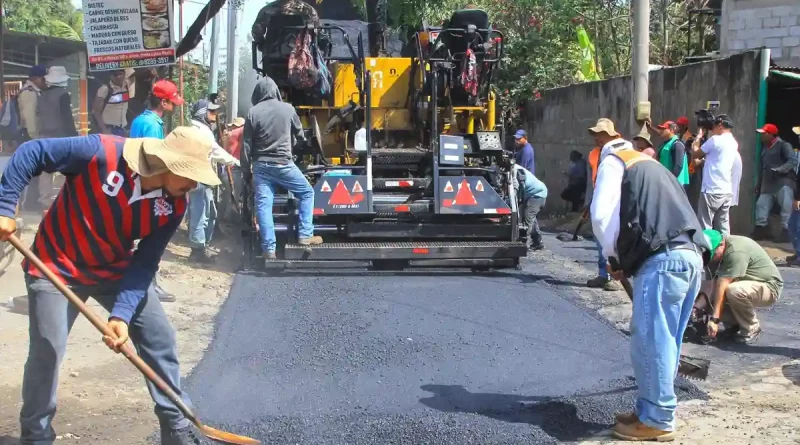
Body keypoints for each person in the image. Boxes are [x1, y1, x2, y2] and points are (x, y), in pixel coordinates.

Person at [0, 127, 218, 445]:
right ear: (167, 164)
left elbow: (145, 262)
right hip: (55, 266)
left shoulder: (174, 206)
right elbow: (32, 152)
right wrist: (5, 208)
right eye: (189, 175)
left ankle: (177, 426)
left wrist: (121, 315)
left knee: (160, 339)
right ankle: (36, 436)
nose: (194, 184)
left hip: (113, 268)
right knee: (47, 350)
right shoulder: (102, 153)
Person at [591, 117, 708, 441]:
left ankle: (656, 419)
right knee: (666, 341)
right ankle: (650, 410)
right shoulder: (653, 166)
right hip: (691, 257)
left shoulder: (615, 162)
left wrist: (614, 258)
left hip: (663, 261)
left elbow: (602, 217)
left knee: (651, 342)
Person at [242, 76, 322, 261]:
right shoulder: (288, 109)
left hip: (261, 166)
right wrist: (298, 143)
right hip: (284, 164)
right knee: (307, 193)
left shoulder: (252, 113)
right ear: (276, 91)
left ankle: (269, 250)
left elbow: (246, 147)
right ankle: (305, 235)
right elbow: (300, 135)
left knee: (264, 205)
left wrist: (246, 172)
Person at [128, 79, 184, 303]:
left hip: (137, 183)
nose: (175, 106)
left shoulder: (140, 119)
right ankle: (148, 283)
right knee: (153, 236)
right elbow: (153, 160)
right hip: (149, 186)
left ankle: (140, 280)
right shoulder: (153, 125)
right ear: (163, 102)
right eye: (172, 102)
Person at [703, 230, 782, 344]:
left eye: (713, 254)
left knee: (733, 290)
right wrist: (697, 307)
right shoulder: (717, 251)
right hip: (745, 283)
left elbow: (722, 284)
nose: (711, 259)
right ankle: (734, 324)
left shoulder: (736, 250)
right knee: (705, 292)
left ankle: (751, 328)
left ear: (721, 244)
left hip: (769, 287)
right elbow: (711, 284)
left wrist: (714, 320)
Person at [188, 99, 240, 263]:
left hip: (204, 177)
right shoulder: (200, 131)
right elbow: (215, 151)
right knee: (200, 214)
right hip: (199, 178)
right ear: (202, 113)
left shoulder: (202, 129)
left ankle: (202, 246)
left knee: (210, 213)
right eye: (211, 112)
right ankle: (197, 251)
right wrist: (236, 162)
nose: (214, 114)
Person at [585, 119, 624, 292]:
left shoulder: (620, 151)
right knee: (600, 239)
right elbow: (591, 179)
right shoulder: (594, 153)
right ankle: (603, 274)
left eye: (600, 134)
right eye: (596, 134)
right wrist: (589, 202)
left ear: (610, 135)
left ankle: (616, 277)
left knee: (611, 238)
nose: (597, 138)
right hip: (598, 196)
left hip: (615, 199)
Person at [690, 114, 740, 235]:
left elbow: (695, 153)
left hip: (711, 190)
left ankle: (706, 251)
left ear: (720, 125)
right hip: (726, 191)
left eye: (714, 127)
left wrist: (698, 138)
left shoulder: (715, 140)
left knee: (705, 225)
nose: (712, 130)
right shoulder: (733, 142)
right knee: (723, 226)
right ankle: (726, 250)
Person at [752, 123, 796, 242]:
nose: (761, 136)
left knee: (786, 208)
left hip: (783, 182)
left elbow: (793, 161)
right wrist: (759, 183)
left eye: (764, 134)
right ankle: (761, 230)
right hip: (768, 184)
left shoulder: (784, 145)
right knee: (761, 206)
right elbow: (763, 167)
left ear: (772, 135)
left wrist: (780, 169)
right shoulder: (765, 148)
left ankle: (786, 232)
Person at [513, 163, 547, 250]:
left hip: (537, 194)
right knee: (531, 219)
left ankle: (524, 243)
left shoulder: (513, 171)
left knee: (528, 217)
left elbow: (515, 189)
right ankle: (538, 242)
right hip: (531, 194)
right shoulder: (513, 167)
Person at [92, 69, 131, 136]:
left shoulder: (127, 87)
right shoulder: (105, 89)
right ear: (111, 76)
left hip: (123, 128)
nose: (118, 76)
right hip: (109, 129)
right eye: (115, 74)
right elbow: (96, 111)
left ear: (124, 74)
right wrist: (104, 129)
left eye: (120, 74)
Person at [655, 120, 690, 193]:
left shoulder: (677, 144)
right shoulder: (666, 143)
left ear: (671, 130)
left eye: (663, 129)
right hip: (666, 182)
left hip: (676, 184)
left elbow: (678, 166)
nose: (661, 131)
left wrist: (671, 181)